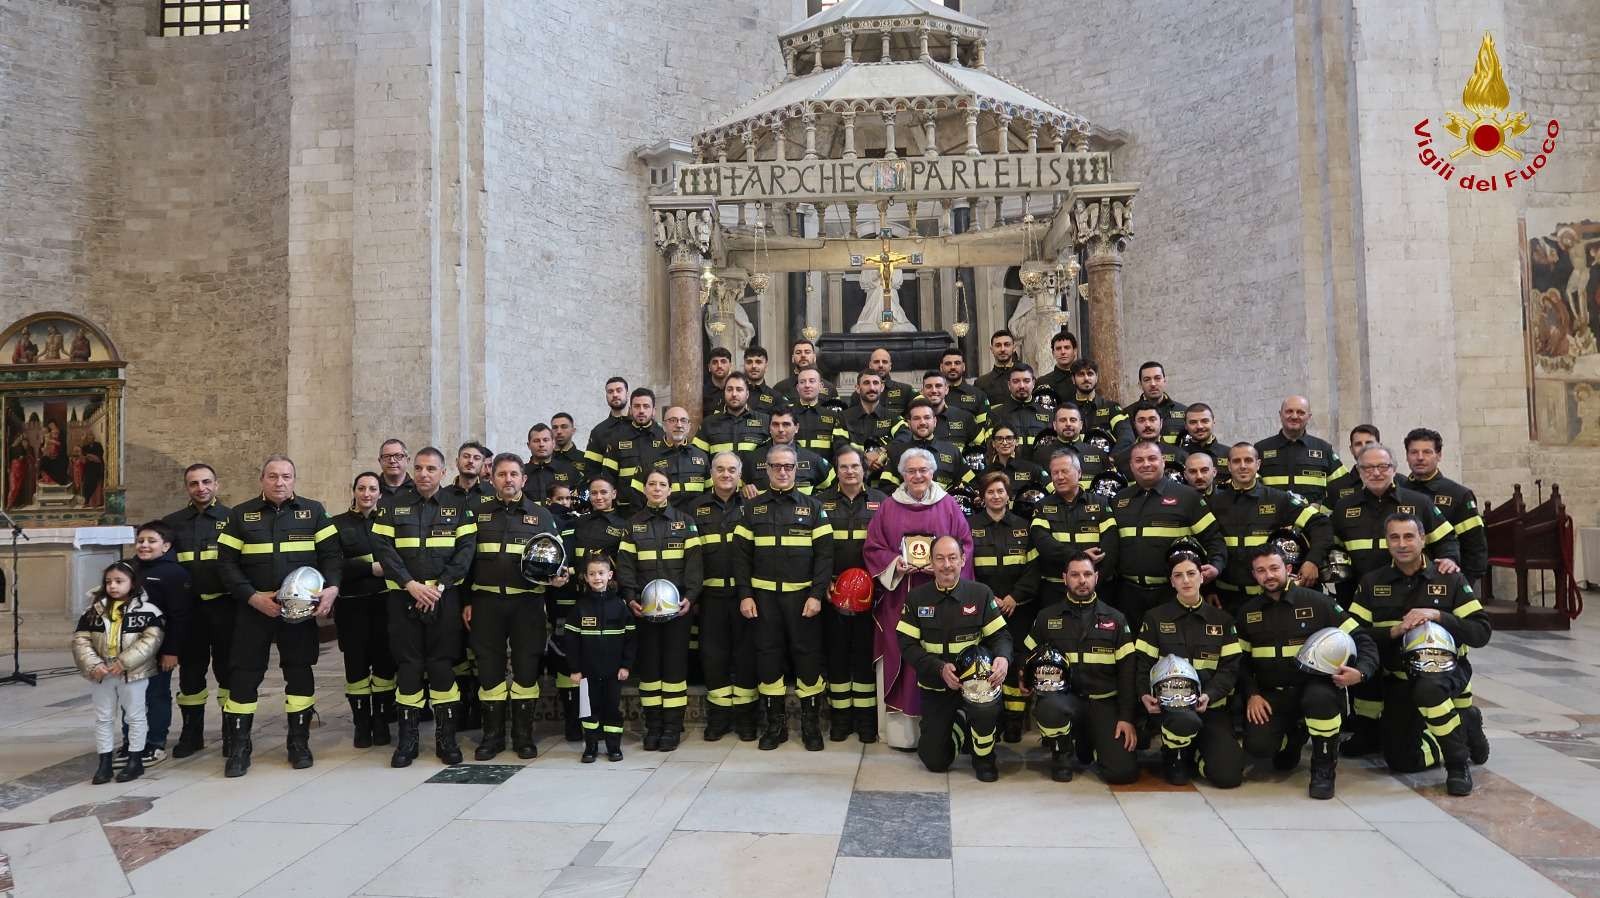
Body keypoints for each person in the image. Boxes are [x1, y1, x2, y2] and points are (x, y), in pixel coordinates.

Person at [1345, 513, 1491, 795]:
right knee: (1401, 761)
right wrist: (1394, 631)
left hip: (1446, 671)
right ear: (1386, 542)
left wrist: (1438, 615)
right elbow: (1353, 635)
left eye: (1409, 536)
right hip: (1399, 677)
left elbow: (1480, 632)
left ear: (1423, 539)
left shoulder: (1449, 578)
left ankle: (1457, 764)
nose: (1402, 544)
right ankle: (1462, 726)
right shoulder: (1372, 582)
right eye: (1395, 537)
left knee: (1429, 689)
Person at [216, 455, 342, 778]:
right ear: (262, 480)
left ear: (294, 479)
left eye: (286, 476)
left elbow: (332, 556)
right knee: (244, 676)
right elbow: (226, 564)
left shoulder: (314, 512)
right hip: (254, 609)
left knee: (299, 673)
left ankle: (298, 742)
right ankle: (240, 747)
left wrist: (332, 588)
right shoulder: (240, 515)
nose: (280, 482)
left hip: (298, 614)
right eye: (273, 476)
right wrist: (253, 597)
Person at [1236, 546, 1377, 799]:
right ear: (1254, 576)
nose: (1269, 575)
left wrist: (1361, 673)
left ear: (1288, 570)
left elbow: (1362, 639)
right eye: (1261, 571)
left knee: (1319, 699)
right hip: (1273, 694)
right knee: (1258, 747)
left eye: (1274, 568)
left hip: (1315, 689)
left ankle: (1323, 769)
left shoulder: (1319, 603)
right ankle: (1294, 736)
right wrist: (1252, 694)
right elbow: (1241, 662)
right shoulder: (1248, 613)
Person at [371, 447, 478, 768]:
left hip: (443, 599)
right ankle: (408, 741)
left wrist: (439, 586)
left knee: (443, 665)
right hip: (403, 598)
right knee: (409, 667)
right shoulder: (391, 506)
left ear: (443, 472)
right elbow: (383, 549)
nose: (423, 474)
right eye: (418, 468)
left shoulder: (459, 508)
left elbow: (465, 553)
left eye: (431, 468)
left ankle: (446, 741)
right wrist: (410, 584)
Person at [863, 447, 974, 748]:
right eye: (911, 471)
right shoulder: (888, 507)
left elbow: (965, 545)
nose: (917, 476)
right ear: (902, 474)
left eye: (923, 470)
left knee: (938, 655)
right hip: (900, 596)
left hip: (942, 599)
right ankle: (903, 736)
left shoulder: (948, 504)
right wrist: (895, 564)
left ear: (932, 472)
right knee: (902, 654)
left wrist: (945, 567)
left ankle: (943, 731)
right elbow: (873, 547)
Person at [466, 453, 567, 760]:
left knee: (526, 668)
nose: (507, 479)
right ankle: (492, 737)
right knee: (489, 668)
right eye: (501, 474)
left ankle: (523, 737)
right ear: (491, 478)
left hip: (528, 604)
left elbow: (558, 558)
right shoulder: (477, 514)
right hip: (485, 603)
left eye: (513, 474)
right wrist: (466, 601)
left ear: (524, 479)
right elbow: (464, 562)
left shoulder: (541, 515)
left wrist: (560, 577)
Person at [734, 444, 834, 750]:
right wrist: (745, 595)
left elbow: (825, 556)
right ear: (766, 469)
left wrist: (817, 595)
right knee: (768, 658)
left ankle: (810, 724)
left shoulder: (814, 507)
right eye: (776, 466)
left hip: (803, 600)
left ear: (796, 469)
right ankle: (775, 725)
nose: (782, 471)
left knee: (808, 658)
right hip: (764, 601)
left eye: (788, 466)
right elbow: (741, 558)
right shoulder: (752, 509)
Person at [896, 536, 1012, 780]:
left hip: (977, 685)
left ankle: (984, 757)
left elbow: (1000, 635)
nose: (946, 564)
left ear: (963, 560)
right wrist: (938, 668)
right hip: (936, 686)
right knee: (935, 761)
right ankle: (962, 721)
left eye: (952, 558)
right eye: (939, 558)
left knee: (985, 721)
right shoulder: (917, 598)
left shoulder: (980, 593)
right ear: (930, 562)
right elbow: (906, 645)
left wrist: (1003, 657)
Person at [1023, 552, 1139, 784]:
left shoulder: (1116, 620)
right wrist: (1024, 677)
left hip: (1104, 703)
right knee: (1049, 707)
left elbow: (1128, 673)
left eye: (1087, 574)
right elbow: (1027, 657)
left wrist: (1126, 718)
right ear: (1065, 578)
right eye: (1075, 575)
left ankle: (1091, 744)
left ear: (1096, 577)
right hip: (1066, 700)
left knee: (1122, 773)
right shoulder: (1047, 617)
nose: (1082, 580)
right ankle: (1061, 753)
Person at [1134, 552, 1245, 788]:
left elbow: (1229, 670)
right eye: (1178, 575)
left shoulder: (1223, 621)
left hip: (1210, 707)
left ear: (1202, 577)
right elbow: (1142, 664)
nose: (1186, 580)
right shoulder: (1154, 618)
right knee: (1182, 737)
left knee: (1229, 777)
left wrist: (1210, 695)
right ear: (1171, 581)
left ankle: (1196, 752)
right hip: (1172, 707)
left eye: (1191, 574)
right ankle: (1176, 756)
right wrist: (1144, 693)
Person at [618, 469, 703, 751]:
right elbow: (626, 566)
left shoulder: (685, 523)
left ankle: (671, 727)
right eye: (652, 484)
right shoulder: (632, 526)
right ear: (644, 489)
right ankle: (653, 727)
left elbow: (694, 565)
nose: (656, 488)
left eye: (662, 484)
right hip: (643, 611)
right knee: (650, 667)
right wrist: (630, 597)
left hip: (678, 611)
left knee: (675, 667)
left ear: (670, 489)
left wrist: (690, 596)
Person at [1108, 440, 1224, 631]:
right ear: (1131, 466)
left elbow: (1213, 538)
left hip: (1171, 593)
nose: (1146, 464)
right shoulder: (1119, 500)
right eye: (1139, 460)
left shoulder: (1188, 497)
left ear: (1163, 462)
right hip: (1127, 595)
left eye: (1152, 458)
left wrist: (1216, 566)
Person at [1206, 442, 1332, 609]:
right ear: (1228, 466)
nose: (1243, 466)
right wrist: (1208, 588)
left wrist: (1313, 561)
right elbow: (1205, 546)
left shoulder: (1278, 500)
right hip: (1226, 599)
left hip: (1269, 598)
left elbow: (1320, 524)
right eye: (1236, 461)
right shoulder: (1213, 503)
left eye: (1248, 460)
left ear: (1258, 465)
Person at [1330, 444, 1460, 602]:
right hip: (1356, 594)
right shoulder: (1344, 507)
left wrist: (1449, 558)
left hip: (1409, 594)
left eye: (1383, 466)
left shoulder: (1419, 502)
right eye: (1368, 468)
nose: (1376, 473)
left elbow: (1446, 539)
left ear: (1394, 469)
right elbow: (1332, 545)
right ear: (1359, 471)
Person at [818, 446, 887, 743]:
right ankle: (841, 720)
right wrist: (821, 585)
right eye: (843, 466)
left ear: (864, 469)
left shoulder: (881, 502)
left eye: (855, 466)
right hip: (832, 593)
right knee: (836, 657)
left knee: (863, 657)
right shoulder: (820, 504)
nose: (849, 472)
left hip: (870, 595)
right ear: (836, 470)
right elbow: (815, 550)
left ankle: (866, 721)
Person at [74, 561, 165, 785]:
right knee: (103, 717)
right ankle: (104, 761)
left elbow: (151, 641)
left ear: (132, 583)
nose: (113, 586)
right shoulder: (93, 612)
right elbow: (81, 640)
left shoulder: (148, 611)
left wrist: (124, 662)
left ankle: (135, 760)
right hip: (102, 673)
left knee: (135, 716)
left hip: (132, 673)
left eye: (119, 581)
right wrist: (94, 665)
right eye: (108, 582)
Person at [162, 463, 230, 759]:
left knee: (228, 670)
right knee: (191, 672)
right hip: (190, 611)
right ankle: (192, 733)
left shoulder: (233, 519)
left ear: (217, 485)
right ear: (186, 488)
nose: (200, 488)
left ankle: (233, 731)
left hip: (225, 607)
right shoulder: (172, 523)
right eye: (194, 483)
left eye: (206, 482)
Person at [687, 452, 755, 740]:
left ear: (740, 474)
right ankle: (718, 718)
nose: (726, 474)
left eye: (732, 469)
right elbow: (690, 557)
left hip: (744, 595)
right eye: (720, 469)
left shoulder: (753, 506)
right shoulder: (695, 507)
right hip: (711, 597)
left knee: (745, 655)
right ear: (711, 474)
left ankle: (746, 719)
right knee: (713, 657)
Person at [560, 476, 629, 738]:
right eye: (594, 493)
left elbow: (625, 565)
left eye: (604, 492)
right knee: (582, 659)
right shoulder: (578, 523)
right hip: (580, 601)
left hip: (611, 602)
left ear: (614, 493)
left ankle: (610, 732)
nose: (599, 497)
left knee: (607, 662)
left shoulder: (623, 526)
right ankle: (582, 727)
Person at [967, 471, 1034, 741]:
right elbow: (966, 567)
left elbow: (1033, 568)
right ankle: (990, 718)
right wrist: (989, 598)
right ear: (982, 498)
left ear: (1009, 496)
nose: (996, 496)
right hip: (984, 608)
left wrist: (1014, 597)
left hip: (1017, 607)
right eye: (990, 492)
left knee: (1016, 660)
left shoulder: (1024, 526)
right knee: (986, 660)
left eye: (1001, 492)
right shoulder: (969, 526)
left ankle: (1014, 721)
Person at [332, 472, 394, 749]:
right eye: (362, 488)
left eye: (372, 489)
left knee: (383, 664)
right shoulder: (336, 525)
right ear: (353, 490)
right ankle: (362, 724)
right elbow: (332, 565)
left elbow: (398, 558)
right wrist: (369, 568)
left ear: (380, 493)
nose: (367, 493)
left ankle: (381, 722)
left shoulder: (389, 522)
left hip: (385, 604)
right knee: (355, 666)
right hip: (352, 606)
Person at [124, 523, 192, 768]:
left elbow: (179, 616)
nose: (144, 545)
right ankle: (131, 741)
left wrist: (172, 651)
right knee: (129, 696)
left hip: (158, 648)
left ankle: (154, 742)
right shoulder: (128, 568)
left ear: (166, 546)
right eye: (141, 540)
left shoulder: (174, 574)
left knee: (155, 695)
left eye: (151, 541)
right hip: (128, 648)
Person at [564, 554, 635, 763]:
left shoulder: (620, 607)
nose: (597, 578)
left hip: (614, 672)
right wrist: (575, 669)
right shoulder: (580, 608)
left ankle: (614, 747)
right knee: (589, 710)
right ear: (585, 577)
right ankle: (591, 747)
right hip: (587, 672)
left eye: (601, 573)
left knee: (612, 709)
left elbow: (631, 640)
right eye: (592, 574)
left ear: (610, 575)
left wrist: (626, 666)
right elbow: (571, 642)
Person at [1027, 449, 1118, 607]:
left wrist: (1093, 581)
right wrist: (1080, 555)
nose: (1060, 477)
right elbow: (1044, 544)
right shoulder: (1041, 507)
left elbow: (1111, 547)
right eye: (1055, 473)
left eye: (1065, 471)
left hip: (1096, 589)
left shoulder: (1101, 504)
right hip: (1055, 591)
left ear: (1079, 473)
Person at [1401, 428, 1488, 586]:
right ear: (1407, 456)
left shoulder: (1458, 495)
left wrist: (1462, 583)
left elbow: (1475, 546)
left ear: (1439, 455)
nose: (1420, 458)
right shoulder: (1398, 493)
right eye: (1414, 452)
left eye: (1427, 452)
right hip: (1403, 581)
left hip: (1444, 580)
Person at [1255, 395, 1349, 511]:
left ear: (1309, 417)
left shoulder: (1324, 449)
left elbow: (1343, 487)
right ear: (1280, 414)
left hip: (1312, 522)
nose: (1294, 416)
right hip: (1272, 521)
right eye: (1289, 411)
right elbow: (1251, 487)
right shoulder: (1261, 449)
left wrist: (1321, 507)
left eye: (1300, 412)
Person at [879, 399, 973, 493]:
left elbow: (971, 485)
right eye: (916, 418)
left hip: (944, 506)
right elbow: (886, 487)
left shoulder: (952, 451)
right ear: (909, 423)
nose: (922, 422)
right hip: (907, 506)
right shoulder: (896, 452)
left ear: (935, 421)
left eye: (927, 417)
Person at [741, 408, 833, 495]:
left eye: (786, 424)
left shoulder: (813, 460)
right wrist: (744, 490)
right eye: (775, 424)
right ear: (769, 428)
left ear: (796, 428)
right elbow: (735, 489)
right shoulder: (751, 459)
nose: (780, 429)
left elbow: (833, 487)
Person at [603, 387, 667, 511]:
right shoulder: (617, 437)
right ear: (630, 410)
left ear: (654, 410)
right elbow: (608, 476)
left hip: (657, 507)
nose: (641, 410)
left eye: (646, 406)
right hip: (625, 509)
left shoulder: (664, 436)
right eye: (637, 406)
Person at [647, 406, 710, 507]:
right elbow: (638, 494)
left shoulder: (702, 456)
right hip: (663, 520)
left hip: (696, 519)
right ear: (664, 425)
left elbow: (709, 492)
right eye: (673, 420)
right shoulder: (649, 456)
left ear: (689, 426)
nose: (679, 425)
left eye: (683, 421)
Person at [841, 370, 903, 475]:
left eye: (875, 383)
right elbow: (840, 447)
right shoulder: (844, 417)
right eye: (866, 383)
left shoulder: (893, 417)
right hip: (853, 478)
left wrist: (880, 452)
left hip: (885, 483)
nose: (872, 388)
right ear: (857, 388)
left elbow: (905, 437)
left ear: (882, 387)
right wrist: (864, 460)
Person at [699, 373, 770, 457]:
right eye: (729, 389)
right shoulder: (708, 423)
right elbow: (699, 458)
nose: (734, 394)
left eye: (739, 390)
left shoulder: (765, 421)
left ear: (747, 394)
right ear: (724, 393)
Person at [987, 365, 1053, 449]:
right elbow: (990, 448)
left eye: (1026, 381)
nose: (1021, 386)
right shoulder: (996, 414)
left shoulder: (1048, 415)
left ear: (1033, 383)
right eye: (1016, 381)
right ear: (1009, 384)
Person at [786, 368, 849, 457]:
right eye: (802, 382)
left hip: (824, 469)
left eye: (812, 381)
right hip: (792, 469)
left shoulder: (834, 417)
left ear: (820, 386)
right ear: (797, 388)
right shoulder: (786, 414)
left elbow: (841, 450)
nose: (807, 385)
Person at [1111, 406, 1189, 476]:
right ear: (1134, 425)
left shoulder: (1180, 456)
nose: (1147, 424)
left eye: (1152, 419)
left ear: (1161, 423)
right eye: (1141, 420)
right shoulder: (1122, 459)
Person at [915, 371, 982, 451]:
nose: (934, 390)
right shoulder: (913, 420)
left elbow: (981, 447)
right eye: (929, 387)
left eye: (938, 386)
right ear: (922, 392)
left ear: (946, 390)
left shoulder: (964, 417)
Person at [982, 425, 1047, 507]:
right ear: (993, 444)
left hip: (1025, 517)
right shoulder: (985, 473)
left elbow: (1052, 490)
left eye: (1009, 438)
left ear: (1016, 441)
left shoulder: (1032, 469)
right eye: (999, 439)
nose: (1004, 442)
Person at [1068, 359, 1127, 442]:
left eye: (1090, 374)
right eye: (1081, 374)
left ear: (1097, 377)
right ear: (1073, 379)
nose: (1086, 378)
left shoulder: (1112, 408)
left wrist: (1113, 455)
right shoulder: (1065, 410)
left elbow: (1126, 438)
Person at [584, 376, 634, 472]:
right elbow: (591, 469)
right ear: (606, 396)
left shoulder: (639, 426)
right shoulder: (598, 432)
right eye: (610, 392)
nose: (615, 394)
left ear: (627, 394)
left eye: (619, 390)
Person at [1132, 361, 1186, 444]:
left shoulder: (1184, 412)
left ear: (1164, 380)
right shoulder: (1127, 414)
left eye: (1157, 378)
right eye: (1147, 380)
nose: (1153, 384)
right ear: (1140, 384)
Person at [524, 424, 581, 502]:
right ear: (528, 445)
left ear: (553, 443)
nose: (541, 444)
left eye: (545, 440)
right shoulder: (520, 473)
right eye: (536, 441)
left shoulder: (569, 471)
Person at [1326, 424, 1380, 506]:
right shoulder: (1335, 487)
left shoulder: (1399, 482)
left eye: (1369, 443)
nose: (1364, 448)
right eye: (1358, 444)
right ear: (1351, 450)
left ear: (1380, 447)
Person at [774, 339, 837, 405]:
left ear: (814, 357)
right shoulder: (780, 388)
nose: (803, 355)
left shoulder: (829, 388)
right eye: (798, 353)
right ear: (793, 358)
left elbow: (836, 413)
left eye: (807, 352)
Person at [860, 347, 917, 414]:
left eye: (884, 362)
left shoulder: (906, 390)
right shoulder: (859, 393)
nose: (881, 365)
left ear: (890, 366)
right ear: (870, 365)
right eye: (876, 362)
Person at [939, 348, 989, 423]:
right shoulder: (934, 394)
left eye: (957, 363)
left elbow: (985, 426)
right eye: (948, 363)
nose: (953, 367)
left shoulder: (978, 396)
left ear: (964, 367)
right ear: (941, 367)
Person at [974, 329, 1019, 406]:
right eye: (998, 345)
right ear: (992, 349)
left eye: (1007, 344)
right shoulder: (981, 383)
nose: (1002, 349)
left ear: (1014, 348)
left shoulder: (1024, 380)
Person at [1035, 331, 1079, 397]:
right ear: (1053, 353)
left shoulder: (1085, 379)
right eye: (1058, 349)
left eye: (1067, 348)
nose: (1063, 352)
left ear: (1075, 351)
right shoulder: (1043, 382)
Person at [742, 345, 784, 415]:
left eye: (758, 362)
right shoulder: (734, 394)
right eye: (749, 362)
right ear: (744, 365)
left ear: (766, 366)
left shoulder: (776, 397)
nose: (754, 366)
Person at [550, 412, 589, 480]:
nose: (559, 431)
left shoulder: (585, 459)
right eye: (555, 427)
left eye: (564, 427)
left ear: (573, 431)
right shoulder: (545, 459)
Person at [703, 346, 735, 412]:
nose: (719, 366)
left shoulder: (737, 391)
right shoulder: (702, 393)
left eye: (723, 362)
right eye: (715, 362)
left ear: (730, 365)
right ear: (709, 366)